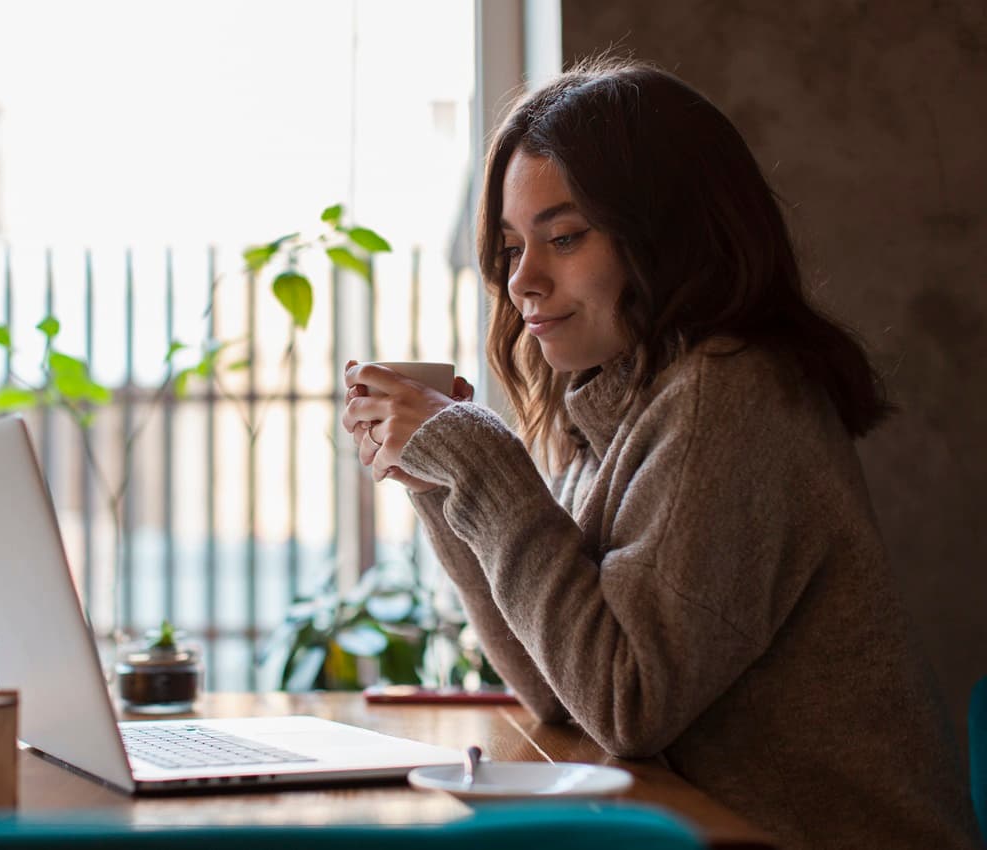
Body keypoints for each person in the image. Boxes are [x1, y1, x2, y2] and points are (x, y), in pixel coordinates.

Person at [341, 57, 981, 850]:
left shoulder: (731, 396)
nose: (522, 283)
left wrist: (480, 462)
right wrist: (440, 482)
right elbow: (559, 691)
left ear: (669, 236)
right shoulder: (617, 404)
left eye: (564, 237)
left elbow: (625, 701)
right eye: (511, 249)